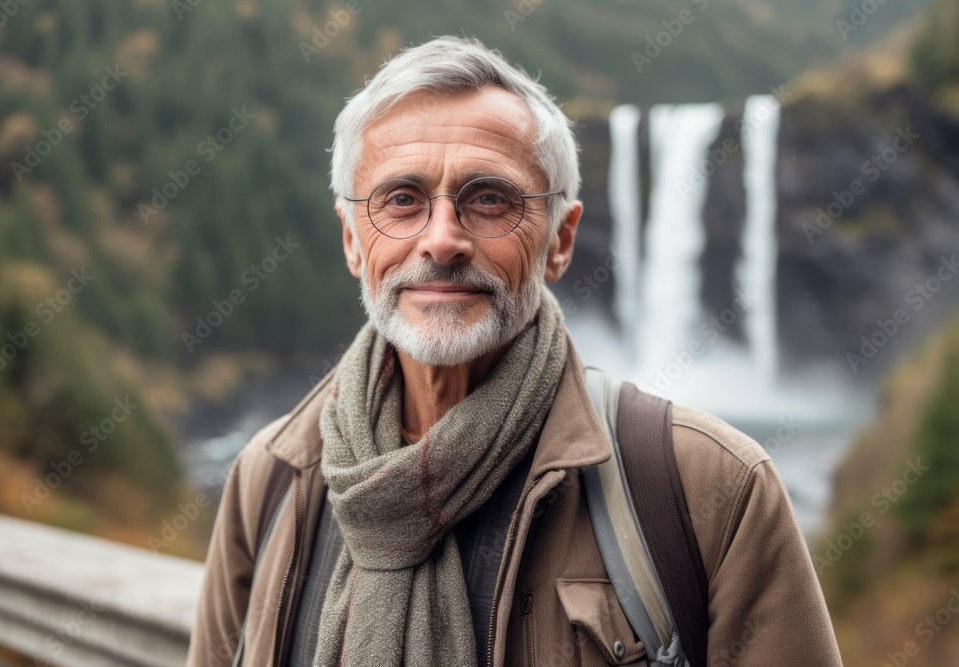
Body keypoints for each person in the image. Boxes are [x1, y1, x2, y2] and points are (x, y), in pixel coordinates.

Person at [187, 36, 842, 667]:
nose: (442, 240)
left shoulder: (715, 490)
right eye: (402, 200)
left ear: (560, 239)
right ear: (353, 240)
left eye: (490, 199)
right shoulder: (268, 479)